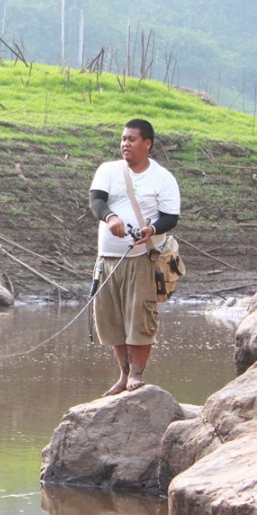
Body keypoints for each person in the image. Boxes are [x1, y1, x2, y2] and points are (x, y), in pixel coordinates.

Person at [88, 119, 181, 396]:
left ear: (147, 144)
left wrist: (151, 229)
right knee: (113, 320)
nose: (125, 144)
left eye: (131, 139)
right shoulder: (108, 170)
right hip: (106, 259)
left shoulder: (163, 178)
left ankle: (137, 375)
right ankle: (123, 375)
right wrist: (111, 216)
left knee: (139, 318)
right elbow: (96, 201)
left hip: (141, 258)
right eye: (123, 139)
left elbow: (170, 217)